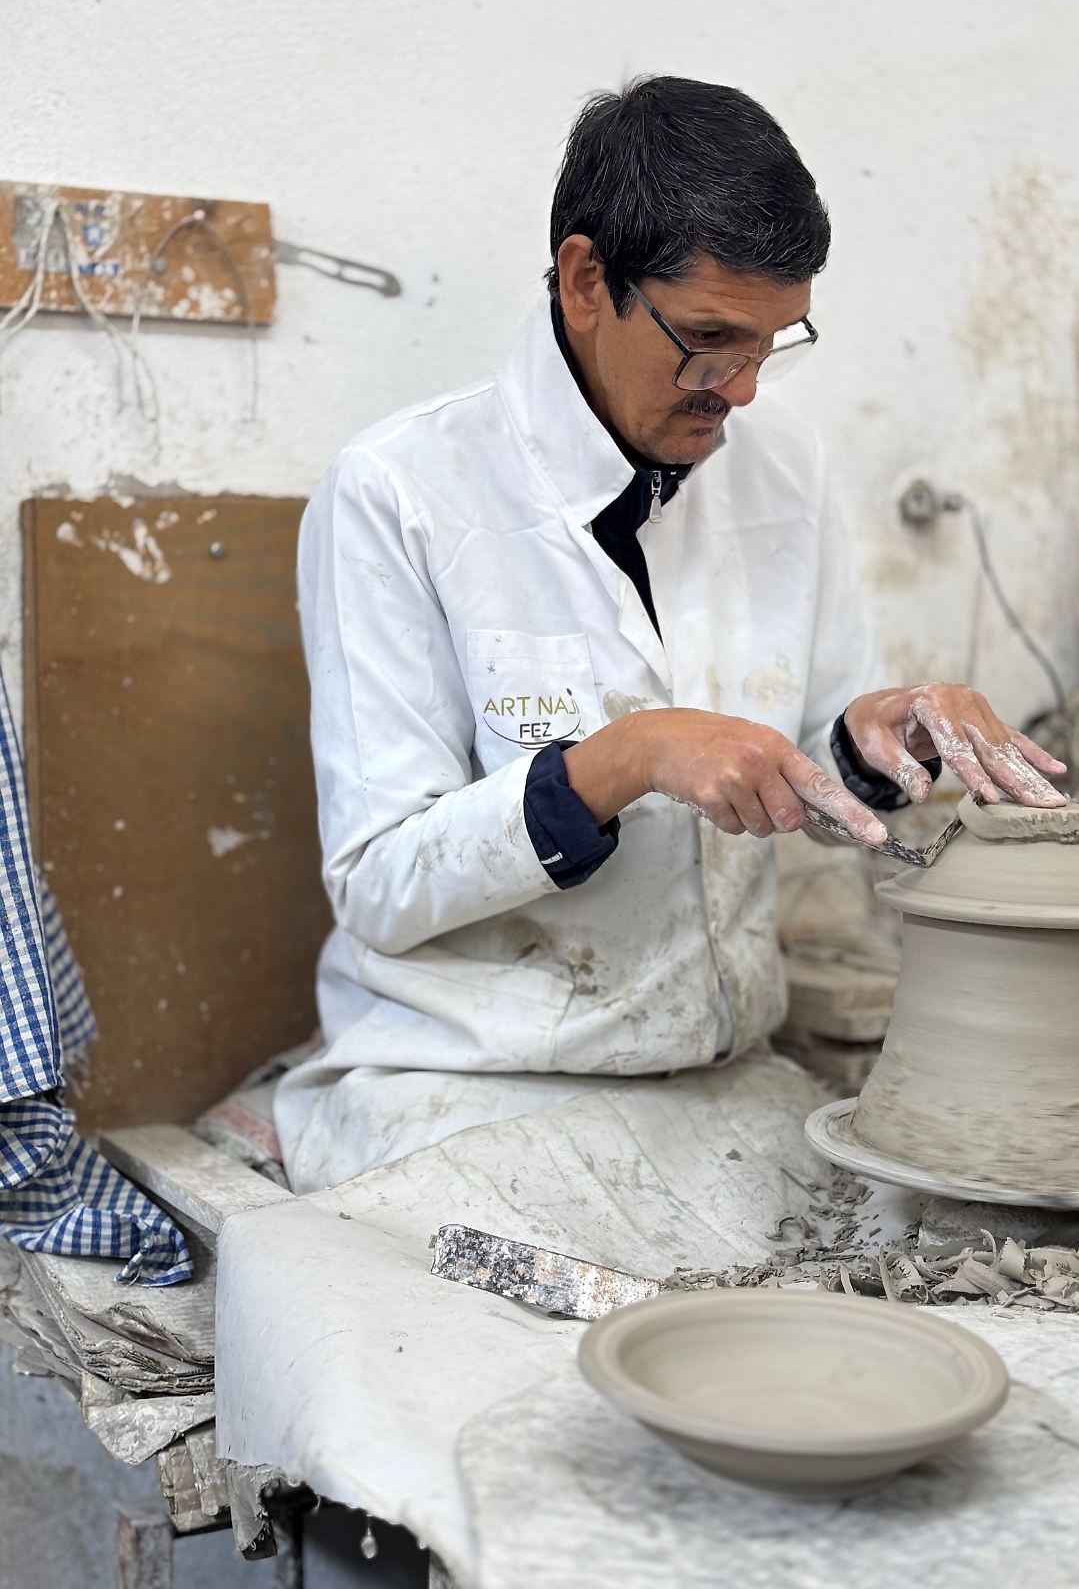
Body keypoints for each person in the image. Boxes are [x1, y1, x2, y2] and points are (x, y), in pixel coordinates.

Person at [274, 77, 1065, 1194]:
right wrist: (626, 757)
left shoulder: (781, 467)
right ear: (585, 281)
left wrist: (879, 743)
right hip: (469, 1082)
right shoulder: (398, 492)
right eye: (705, 340)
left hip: (716, 1077)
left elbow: (814, 780)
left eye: (769, 345)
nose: (738, 390)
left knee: (890, 1261)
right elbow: (378, 884)